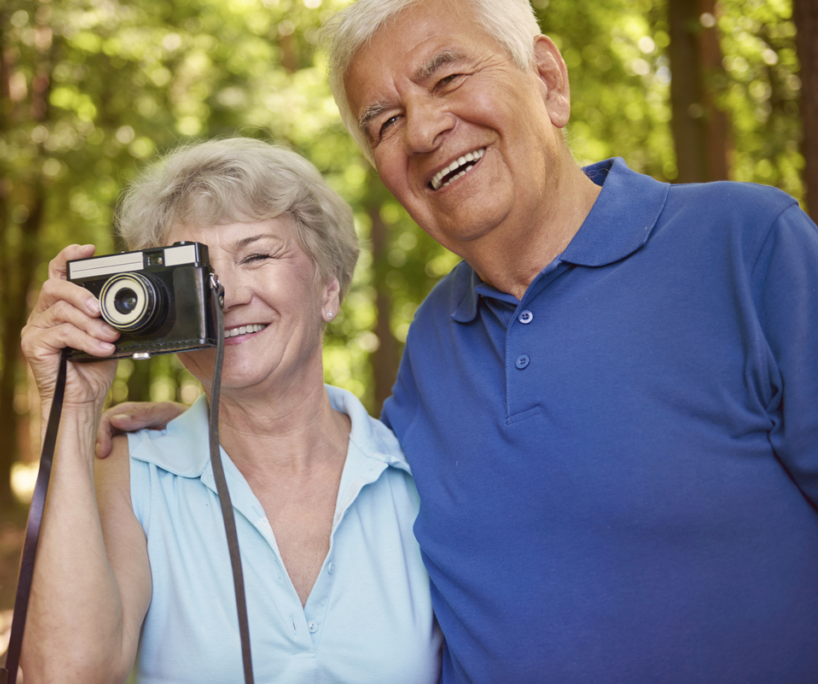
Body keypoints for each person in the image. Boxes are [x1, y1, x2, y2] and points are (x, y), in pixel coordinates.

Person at [101, 0, 818, 682]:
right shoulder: (435, 342)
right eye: (383, 123)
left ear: (548, 81)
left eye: (447, 78)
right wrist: (213, 426)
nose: (420, 131)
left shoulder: (747, 247)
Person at [18, 137, 442, 684]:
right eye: (195, 273)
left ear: (328, 290)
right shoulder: (131, 473)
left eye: (257, 255)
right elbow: (66, 676)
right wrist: (72, 412)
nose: (227, 294)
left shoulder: (415, 471)